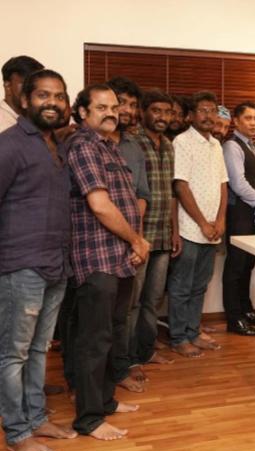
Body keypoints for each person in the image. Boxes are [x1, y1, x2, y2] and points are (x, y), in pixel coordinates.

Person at [0, 69, 78, 451]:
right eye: (43, 95)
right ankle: (17, 432)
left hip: (56, 264)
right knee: (12, 354)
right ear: (25, 100)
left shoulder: (57, 146)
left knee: (39, 350)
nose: (53, 102)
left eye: (59, 96)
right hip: (21, 265)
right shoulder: (9, 145)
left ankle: (36, 418)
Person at [66, 84, 148, 440]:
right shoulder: (84, 145)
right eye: (101, 107)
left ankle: (105, 402)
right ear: (83, 112)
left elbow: (125, 201)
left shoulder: (108, 146)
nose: (111, 113)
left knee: (112, 334)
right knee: (94, 341)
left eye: (114, 107)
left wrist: (134, 243)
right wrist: (136, 240)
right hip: (96, 257)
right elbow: (99, 205)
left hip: (119, 256)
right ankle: (89, 419)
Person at [169, 91, 228, 356]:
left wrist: (221, 219)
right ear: (191, 116)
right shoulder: (182, 142)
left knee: (200, 285)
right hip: (190, 228)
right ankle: (178, 337)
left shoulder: (216, 145)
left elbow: (223, 185)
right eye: (203, 110)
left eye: (212, 110)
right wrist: (203, 222)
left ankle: (193, 332)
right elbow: (180, 186)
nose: (208, 115)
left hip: (213, 229)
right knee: (181, 287)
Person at [127, 90, 177, 379]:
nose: (162, 117)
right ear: (144, 111)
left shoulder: (168, 145)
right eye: (156, 110)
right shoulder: (132, 142)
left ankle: (146, 351)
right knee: (131, 302)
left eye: (167, 112)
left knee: (153, 300)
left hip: (163, 234)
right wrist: (135, 237)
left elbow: (171, 192)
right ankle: (129, 359)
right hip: (140, 236)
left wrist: (175, 231)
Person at [106, 76, 151, 393]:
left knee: (125, 311)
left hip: (132, 241)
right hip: (99, 242)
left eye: (133, 105)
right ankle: (83, 381)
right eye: (121, 102)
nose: (127, 109)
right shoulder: (87, 142)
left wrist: (136, 238)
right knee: (94, 317)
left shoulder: (134, 146)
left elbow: (142, 194)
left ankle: (120, 368)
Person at [222, 101, 255, 336]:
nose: (254, 123)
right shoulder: (232, 146)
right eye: (248, 118)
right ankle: (234, 318)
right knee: (236, 266)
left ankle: (246, 310)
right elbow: (238, 183)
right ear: (236, 121)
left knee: (248, 264)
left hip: (252, 215)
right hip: (239, 213)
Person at [0, 55, 44, 132]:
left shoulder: (37, 119)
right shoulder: (3, 125)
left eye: (37, 85)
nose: (32, 90)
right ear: (8, 87)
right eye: (26, 84)